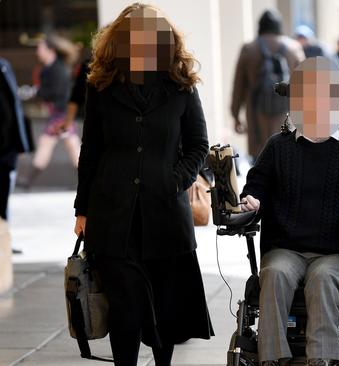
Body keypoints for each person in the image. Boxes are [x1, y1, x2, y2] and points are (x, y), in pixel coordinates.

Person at [72, 4, 213, 365]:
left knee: (164, 309)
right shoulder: (102, 86)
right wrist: (82, 209)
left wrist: (176, 179)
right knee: (126, 306)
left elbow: (198, 145)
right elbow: (91, 150)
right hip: (112, 213)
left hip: (165, 212)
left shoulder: (181, 86)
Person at [239, 56, 339, 366]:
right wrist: (251, 199)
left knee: (322, 277)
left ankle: (322, 360)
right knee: (275, 273)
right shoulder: (278, 147)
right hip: (287, 248)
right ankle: (271, 359)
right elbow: (256, 184)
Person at [231, 9, 305, 160]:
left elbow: (238, 86)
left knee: (261, 164)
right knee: (288, 161)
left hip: (257, 120)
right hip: (287, 117)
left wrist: (235, 114)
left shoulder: (249, 49)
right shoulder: (294, 48)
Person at [19, 34, 80, 188]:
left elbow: (56, 92)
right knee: (72, 146)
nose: (38, 52)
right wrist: (35, 92)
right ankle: (89, 181)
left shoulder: (58, 69)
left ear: (50, 50)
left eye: (40, 48)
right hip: (60, 113)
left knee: (49, 143)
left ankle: (27, 181)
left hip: (61, 114)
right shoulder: (49, 69)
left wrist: (35, 92)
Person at [0, 58, 33, 254]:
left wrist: (18, 144)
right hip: (5, 147)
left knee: (3, 198)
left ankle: (3, 240)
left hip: (5, 149)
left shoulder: (3, 66)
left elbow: (13, 107)